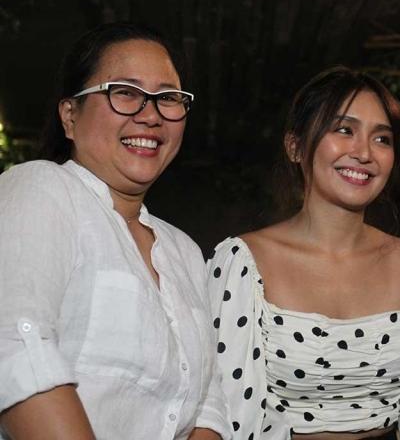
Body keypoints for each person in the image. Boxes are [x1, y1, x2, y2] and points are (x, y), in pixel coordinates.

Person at [207, 66, 400, 439]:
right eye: (344, 130)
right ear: (295, 146)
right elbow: (223, 412)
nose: (364, 152)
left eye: (382, 139)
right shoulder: (242, 263)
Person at [0, 23, 229, 440]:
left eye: (168, 98)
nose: (151, 115)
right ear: (70, 116)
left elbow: (209, 403)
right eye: (125, 92)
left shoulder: (185, 251)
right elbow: (16, 346)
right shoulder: (41, 189)